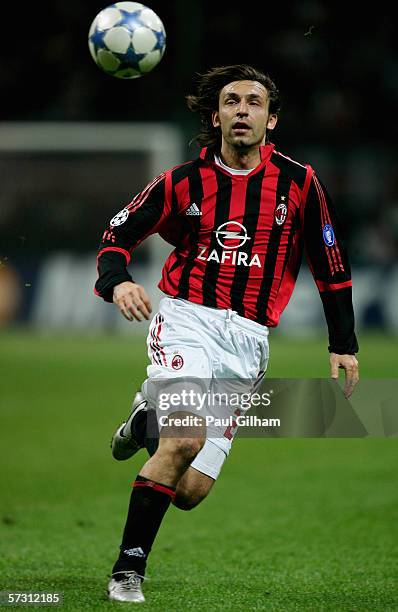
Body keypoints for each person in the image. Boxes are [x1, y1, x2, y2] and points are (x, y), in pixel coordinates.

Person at [95, 64, 359, 603]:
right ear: (215, 117)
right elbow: (117, 237)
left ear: (272, 117)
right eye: (232, 101)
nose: (242, 110)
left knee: (191, 489)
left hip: (248, 342)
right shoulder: (182, 182)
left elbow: (330, 264)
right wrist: (118, 282)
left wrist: (344, 343)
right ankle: (128, 569)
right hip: (187, 318)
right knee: (184, 440)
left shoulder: (299, 183)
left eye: (254, 102)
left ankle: (147, 416)